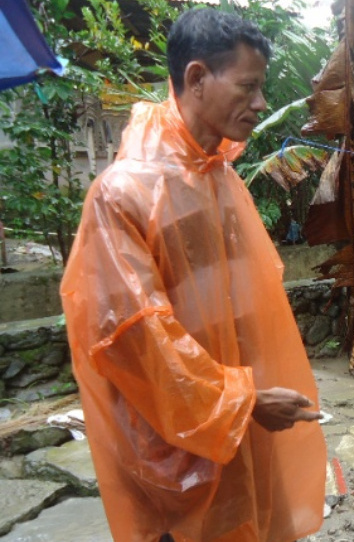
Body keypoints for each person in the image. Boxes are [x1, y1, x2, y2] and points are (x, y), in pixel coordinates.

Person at [60, 8, 326, 542]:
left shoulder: (219, 177)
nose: (261, 104)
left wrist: (248, 401)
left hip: (241, 418)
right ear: (197, 78)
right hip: (170, 443)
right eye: (248, 87)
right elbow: (136, 338)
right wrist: (243, 401)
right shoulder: (123, 195)